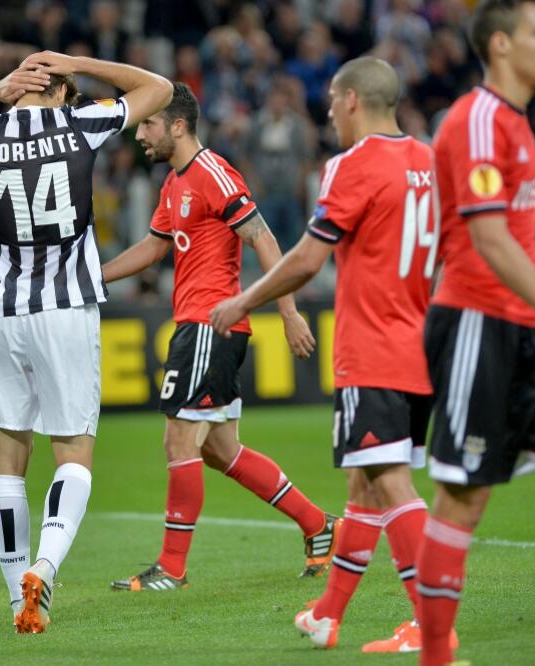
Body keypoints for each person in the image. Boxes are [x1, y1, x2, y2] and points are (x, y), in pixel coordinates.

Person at [210, 57, 454, 654]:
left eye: (330, 105)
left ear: (350, 100)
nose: (327, 115)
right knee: (365, 486)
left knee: (391, 482)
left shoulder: (351, 164)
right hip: (418, 344)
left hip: (372, 349)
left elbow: (308, 258)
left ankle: (431, 628)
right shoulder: (428, 162)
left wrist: (245, 300)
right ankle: (327, 614)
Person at [0, 50, 172, 633]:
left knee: (9, 461)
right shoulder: (77, 123)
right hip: (65, 309)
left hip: (3, 313)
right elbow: (158, 88)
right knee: (74, 452)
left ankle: (18, 600)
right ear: (62, 91)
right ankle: (46, 568)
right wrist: (76, 60)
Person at [101, 82, 337, 594]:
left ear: (178, 126)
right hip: (196, 325)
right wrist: (96, 278)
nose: (139, 133)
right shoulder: (174, 182)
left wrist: (290, 311)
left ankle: (172, 568)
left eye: (148, 124)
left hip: (211, 325)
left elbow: (264, 238)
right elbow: (152, 247)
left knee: (179, 438)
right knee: (220, 450)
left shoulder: (212, 172)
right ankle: (319, 527)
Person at [415, 3, 535, 665]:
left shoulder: (516, 124)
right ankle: (436, 654)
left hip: (525, 326)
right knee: (463, 498)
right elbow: (491, 239)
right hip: (477, 320)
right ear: (500, 43)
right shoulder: (475, 118)